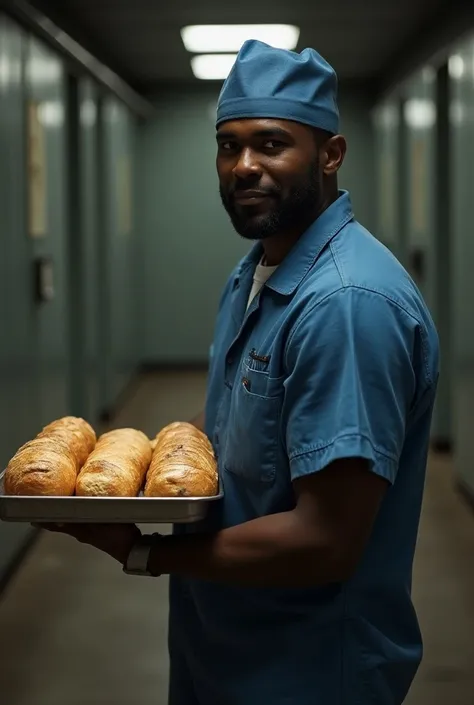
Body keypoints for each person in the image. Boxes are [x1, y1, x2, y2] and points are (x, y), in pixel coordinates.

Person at [43, 40, 439, 705]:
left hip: (305, 669)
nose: (244, 166)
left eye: (272, 143)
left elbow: (325, 540)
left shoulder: (346, 305)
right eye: (228, 146)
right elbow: (232, 420)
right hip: (224, 643)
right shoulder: (260, 268)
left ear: (331, 154)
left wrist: (145, 550)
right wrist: (131, 466)